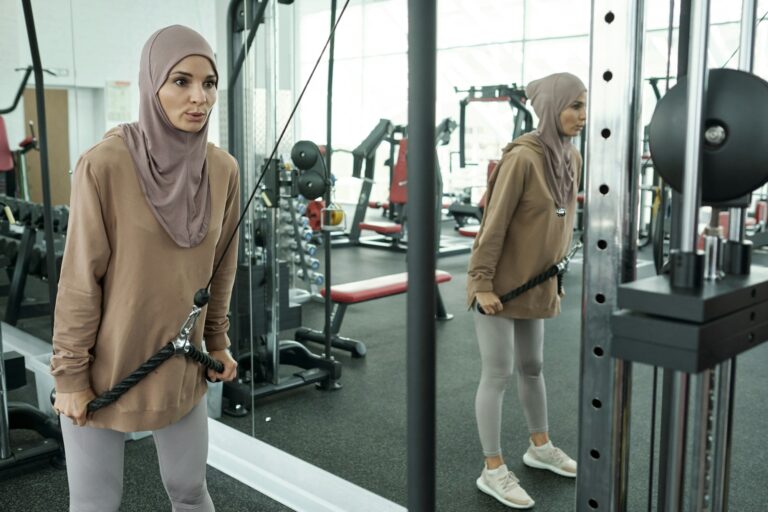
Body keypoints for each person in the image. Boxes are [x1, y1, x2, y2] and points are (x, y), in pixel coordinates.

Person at [50, 25, 240, 512]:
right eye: (181, 81)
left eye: (209, 83)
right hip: (104, 370)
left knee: (190, 491)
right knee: (95, 504)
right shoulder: (104, 164)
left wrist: (215, 341)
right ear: (151, 83)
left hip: (181, 364)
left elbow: (222, 271)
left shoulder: (223, 170)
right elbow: (79, 282)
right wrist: (70, 377)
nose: (199, 97)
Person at [467, 72, 587, 509]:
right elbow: (492, 226)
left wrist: (555, 281)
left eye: (584, 106)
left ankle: (539, 446)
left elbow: (560, 225)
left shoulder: (570, 159)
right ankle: (493, 468)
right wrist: (480, 284)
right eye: (573, 105)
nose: (582, 115)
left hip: (535, 283)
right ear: (552, 106)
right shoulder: (521, 159)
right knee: (497, 374)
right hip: (498, 286)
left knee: (533, 367)